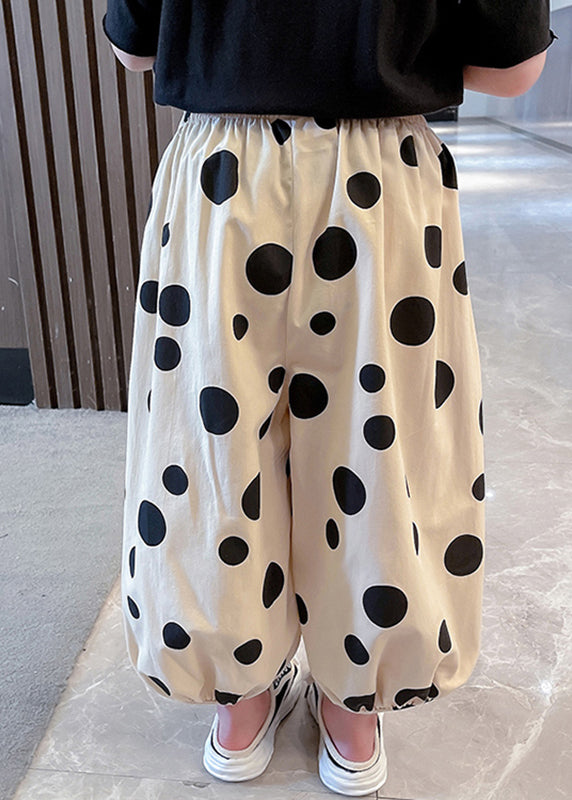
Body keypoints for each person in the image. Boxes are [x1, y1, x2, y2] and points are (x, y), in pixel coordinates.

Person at [101, 1, 557, 795]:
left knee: (213, 445)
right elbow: (514, 69)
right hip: (381, 181)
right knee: (378, 449)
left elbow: (137, 48)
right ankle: (353, 715)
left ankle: (239, 707)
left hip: (222, 177)